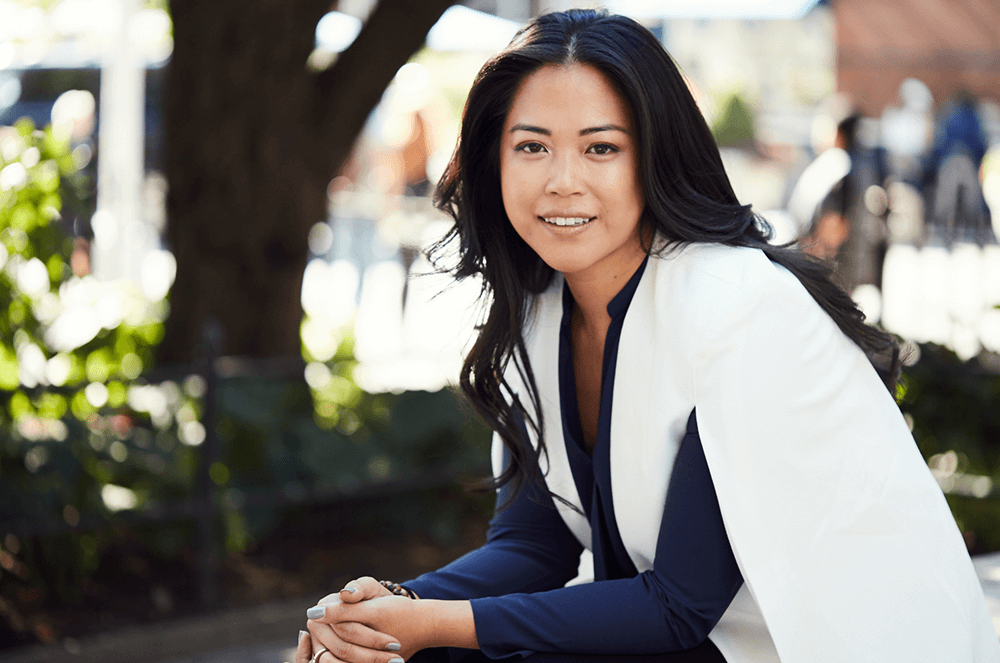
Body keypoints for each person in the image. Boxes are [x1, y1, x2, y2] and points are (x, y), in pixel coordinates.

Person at [297, 9, 999, 663]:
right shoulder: (542, 309)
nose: (562, 181)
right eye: (532, 146)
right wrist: (385, 611)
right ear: (495, 163)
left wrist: (432, 629)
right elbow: (532, 542)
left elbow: (677, 608)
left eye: (600, 147)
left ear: (655, 157)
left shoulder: (739, 307)